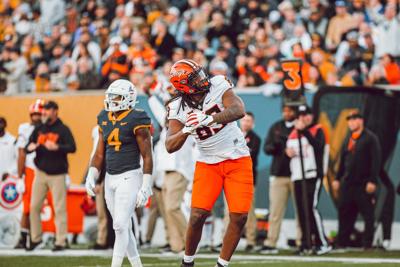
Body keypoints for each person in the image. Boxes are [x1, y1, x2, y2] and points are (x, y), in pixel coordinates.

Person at [166, 59, 253, 267]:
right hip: (208, 163)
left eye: (200, 73)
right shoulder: (177, 107)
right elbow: (170, 145)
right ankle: (187, 262)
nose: (202, 78)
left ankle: (222, 264)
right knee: (197, 215)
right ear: (184, 85)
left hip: (237, 158)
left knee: (239, 217)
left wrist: (210, 119)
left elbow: (239, 110)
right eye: (195, 78)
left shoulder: (219, 84)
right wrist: (187, 129)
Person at [85, 79, 153, 267]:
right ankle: (137, 265)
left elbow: (148, 155)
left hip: (129, 175)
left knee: (119, 225)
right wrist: (91, 175)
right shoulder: (104, 117)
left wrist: (146, 185)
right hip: (109, 177)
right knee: (122, 227)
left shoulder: (137, 118)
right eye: (110, 97)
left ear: (129, 99)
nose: (112, 101)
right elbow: (99, 153)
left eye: (116, 97)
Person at [26, 100, 77, 251]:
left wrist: (58, 147)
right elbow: (28, 146)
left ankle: (61, 241)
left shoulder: (63, 129)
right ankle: (36, 239)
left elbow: (73, 148)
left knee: (59, 208)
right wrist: (30, 147)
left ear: (55, 111)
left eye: (47, 110)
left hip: (58, 174)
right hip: (40, 173)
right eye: (44, 110)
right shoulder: (39, 129)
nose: (44, 113)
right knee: (34, 207)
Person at [286, 105, 330, 255]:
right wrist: (287, 152)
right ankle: (306, 243)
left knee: (311, 208)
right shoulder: (293, 134)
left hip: (312, 174)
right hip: (297, 175)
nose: (305, 118)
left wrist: (304, 131)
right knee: (302, 210)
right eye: (302, 115)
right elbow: (288, 151)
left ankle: (322, 242)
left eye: (308, 114)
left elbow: (318, 147)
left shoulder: (318, 129)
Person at [332, 111, 381, 249]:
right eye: (349, 120)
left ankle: (367, 244)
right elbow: (343, 160)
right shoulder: (349, 138)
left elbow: (376, 161)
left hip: (363, 184)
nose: (351, 123)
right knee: (345, 212)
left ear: (361, 121)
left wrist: (372, 180)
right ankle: (342, 242)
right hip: (348, 183)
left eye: (354, 119)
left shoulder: (370, 138)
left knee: (368, 214)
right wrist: (337, 178)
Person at [259, 105, 298, 254]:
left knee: (301, 211)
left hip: (297, 175)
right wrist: (280, 147)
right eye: (285, 111)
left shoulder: (300, 127)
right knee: (275, 211)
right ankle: (271, 242)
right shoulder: (276, 127)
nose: (287, 113)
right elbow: (267, 148)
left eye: (290, 110)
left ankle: (303, 241)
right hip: (278, 174)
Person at [14, 100, 44, 249]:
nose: (37, 117)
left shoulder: (48, 128)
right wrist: (20, 176)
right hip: (31, 170)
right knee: (28, 206)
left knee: (46, 206)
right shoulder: (25, 128)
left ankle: (49, 237)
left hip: (47, 170)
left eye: (39, 114)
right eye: (35, 114)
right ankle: (24, 237)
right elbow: (21, 153)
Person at [239, 112, 260, 251]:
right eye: (244, 120)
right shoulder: (232, 134)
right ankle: (224, 239)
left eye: (249, 121)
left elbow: (249, 154)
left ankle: (251, 239)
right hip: (231, 176)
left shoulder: (255, 138)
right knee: (229, 210)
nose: (246, 123)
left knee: (249, 210)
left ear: (253, 123)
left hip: (248, 177)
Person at [0, 116, 17, 181]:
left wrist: (9, 172)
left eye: (1, 122)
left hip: (9, 178)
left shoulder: (13, 140)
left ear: (5, 125)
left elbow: (18, 158)